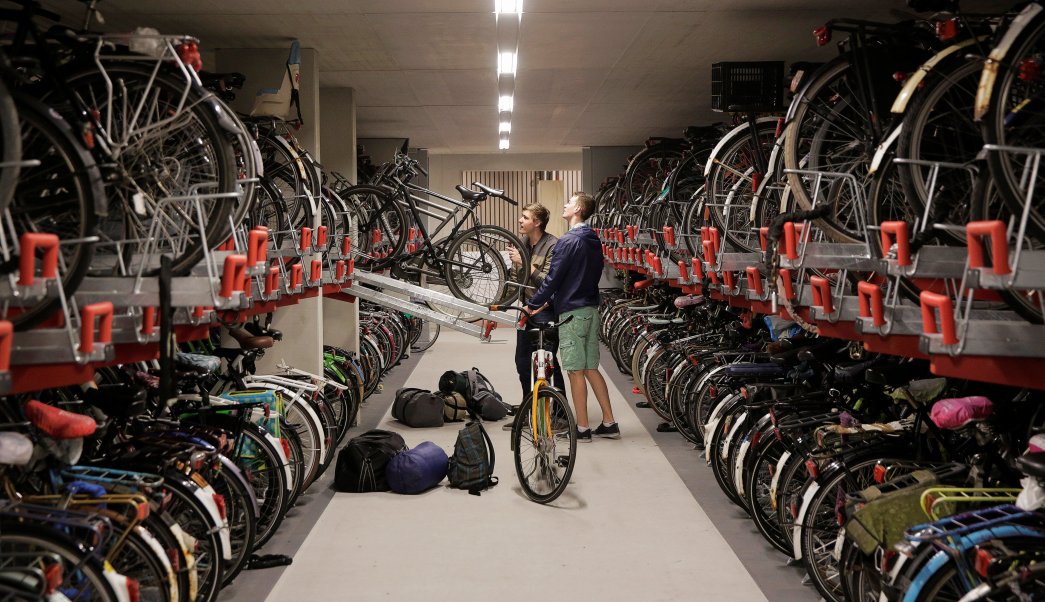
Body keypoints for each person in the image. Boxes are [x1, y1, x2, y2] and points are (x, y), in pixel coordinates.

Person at [524, 192, 618, 442]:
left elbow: (554, 279)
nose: (564, 205)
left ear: (577, 209)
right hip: (590, 310)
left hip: (573, 315)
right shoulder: (593, 239)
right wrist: (550, 303)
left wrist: (534, 303)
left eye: (568, 203)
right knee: (590, 368)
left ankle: (583, 429)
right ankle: (609, 422)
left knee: (575, 371)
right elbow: (577, 277)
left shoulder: (568, 241)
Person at [505, 204, 565, 429]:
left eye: (525, 217)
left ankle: (559, 414)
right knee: (522, 363)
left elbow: (547, 282)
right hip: (526, 311)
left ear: (537, 223)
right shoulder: (521, 244)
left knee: (547, 363)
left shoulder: (553, 245)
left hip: (545, 311)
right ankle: (528, 411)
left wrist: (525, 263)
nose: (520, 220)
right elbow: (513, 280)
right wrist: (502, 306)